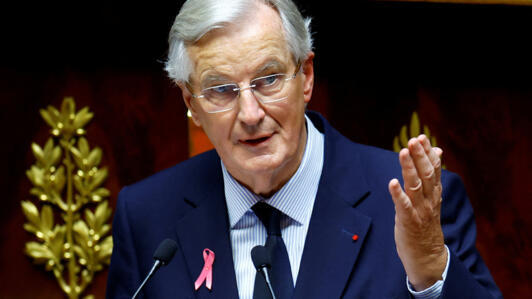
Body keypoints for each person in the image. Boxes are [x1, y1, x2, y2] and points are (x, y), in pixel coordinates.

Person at [106, 0, 502, 298]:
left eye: (269, 79)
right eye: (221, 90)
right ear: (191, 104)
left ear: (306, 77)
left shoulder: (411, 205)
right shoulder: (148, 218)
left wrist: (433, 271)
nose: (249, 113)